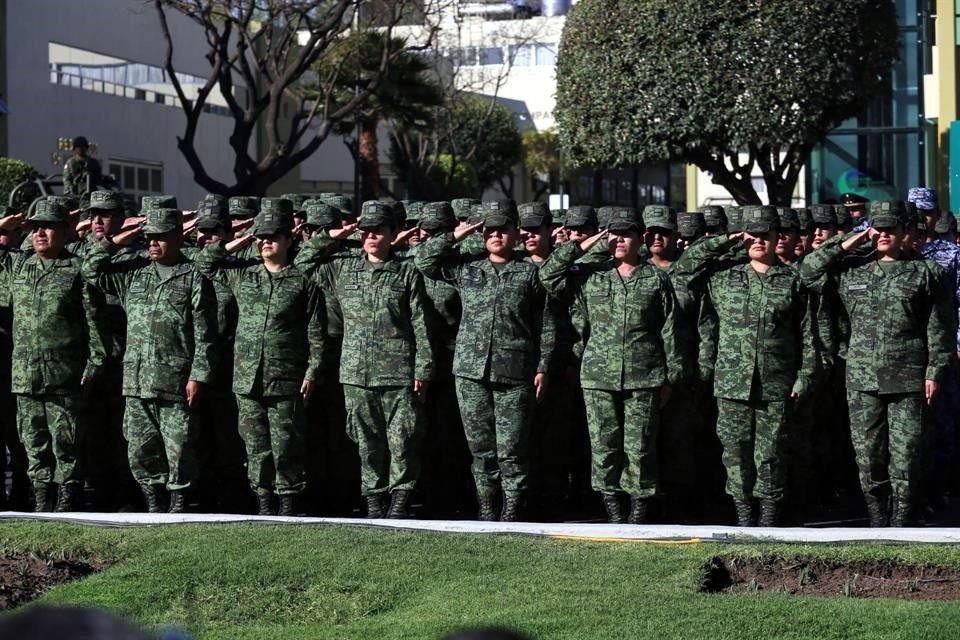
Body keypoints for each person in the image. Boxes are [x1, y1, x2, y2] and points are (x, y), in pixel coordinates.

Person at [799, 200, 953, 526]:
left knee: (906, 454)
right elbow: (809, 270)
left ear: (905, 231)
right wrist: (852, 239)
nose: (883, 234)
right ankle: (877, 517)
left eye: (889, 228)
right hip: (862, 376)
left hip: (908, 376)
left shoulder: (928, 272)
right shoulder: (853, 269)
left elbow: (939, 327)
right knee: (868, 455)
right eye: (877, 228)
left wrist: (935, 371)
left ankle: (901, 520)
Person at [674, 205, 816, 527]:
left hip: (776, 382)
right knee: (735, 452)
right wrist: (727, 239)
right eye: (752, 235)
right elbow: (685, 267)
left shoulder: (792, 282)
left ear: (777, 237)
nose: (758, 241)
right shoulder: (724, 278)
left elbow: (808, 335)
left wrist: (804, 377)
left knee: (771, 453)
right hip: (731, 382)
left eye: (765, 235)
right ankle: (744, 516)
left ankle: (768, 518)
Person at [540, 207, 683, 524]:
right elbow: (548, 275)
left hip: (644, 376)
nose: (619, 240)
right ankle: (613, 509)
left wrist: (671, 377)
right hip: (598, 377)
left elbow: (670, 330)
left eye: (625, 234)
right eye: (613, 234)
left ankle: (639, 510)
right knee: (605, 445)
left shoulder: (656, 279)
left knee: (639, 447)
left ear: (640, 238)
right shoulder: (591, 276)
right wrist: (583, 244)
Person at [416, 200, 554, 522]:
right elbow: (424, 260)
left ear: (515, 234)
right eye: (489, 230)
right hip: (470, 372)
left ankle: (512, 509)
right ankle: (488, 508)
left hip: (515, 373)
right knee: (481, 449)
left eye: (502, 229)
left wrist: (543, 366)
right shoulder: (467, 268)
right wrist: (456, 234)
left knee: (512, 449)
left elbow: (546, 324)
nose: (495, 235)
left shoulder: (530, 274)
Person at [296, 201, 432, 519]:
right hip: (356, 373)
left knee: (402, 439)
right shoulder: (343, 268)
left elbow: (421, 324)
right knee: (366, 441)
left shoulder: (407, 271)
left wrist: (424, 368)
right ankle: (373, 499)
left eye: (378, 231)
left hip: (399, 371)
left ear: (392, 233)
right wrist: (336, 234)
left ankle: (400, 500)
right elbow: (303, 262)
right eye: (365, 231)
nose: (370, 236)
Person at [82, 207, 219, 513]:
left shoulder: (194, 278)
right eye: (148, 238)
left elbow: (206, 335)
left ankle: (179, 504)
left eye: (160, 237)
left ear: (178, 237)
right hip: (137, 380)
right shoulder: (134, 274)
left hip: (175, 380)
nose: (153, 243)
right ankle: (154, 503)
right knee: (140, 448)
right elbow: (90, 270)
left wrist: (198, 375)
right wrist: (115, 241)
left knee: (180, 447)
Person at [194, 206, 324, 516]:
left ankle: (288, 500)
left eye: (272, 236)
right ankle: (263, 500)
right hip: (247, 376)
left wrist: (313, 371)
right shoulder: (244, 274)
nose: (265, 242)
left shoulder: (302, 281)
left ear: (289, 240)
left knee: (286, 443)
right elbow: (204, 262)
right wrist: (243, 239)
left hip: (286, 377)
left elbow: (316, 333)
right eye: (261, 237)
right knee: (255, 445)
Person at [0, 199, 106, 511]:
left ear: (65, 231)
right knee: (32, 439)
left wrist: (95, 363)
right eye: (35, 227)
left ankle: (67, 498)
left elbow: (94, 322)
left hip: (64, 374)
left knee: (65, 440)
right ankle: (41, 499)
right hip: (25, 374)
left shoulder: (76, 269)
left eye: (47, 227)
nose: (40, 233)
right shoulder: (19, 265)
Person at [906, 187, 960, 513]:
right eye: (915, 211)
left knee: (942, 422)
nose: (921, 217)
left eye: (927, 212)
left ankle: (938, 490)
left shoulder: (950, 254)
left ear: (937, 215)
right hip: (902, 351)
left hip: (942, 351)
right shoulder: (896, 250)